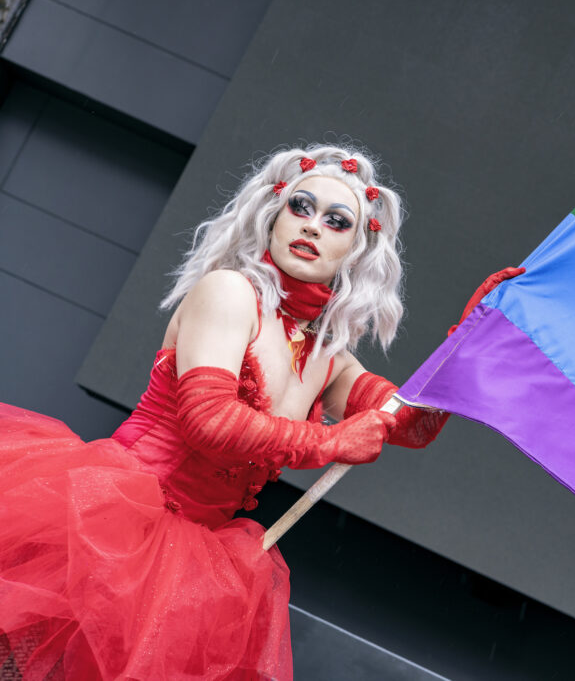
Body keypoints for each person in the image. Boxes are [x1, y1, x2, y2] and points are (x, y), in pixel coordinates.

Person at [0, 144, 461, 679]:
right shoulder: (229, 292)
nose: (312, 227)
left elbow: (411, 424)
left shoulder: (326, 356)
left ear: (356, 250)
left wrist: (466, 358)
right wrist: (333, 443)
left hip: (190, 565)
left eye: (336, 221)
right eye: (301, 207)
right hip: (106, 527)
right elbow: (210, 422)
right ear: (274, 214)